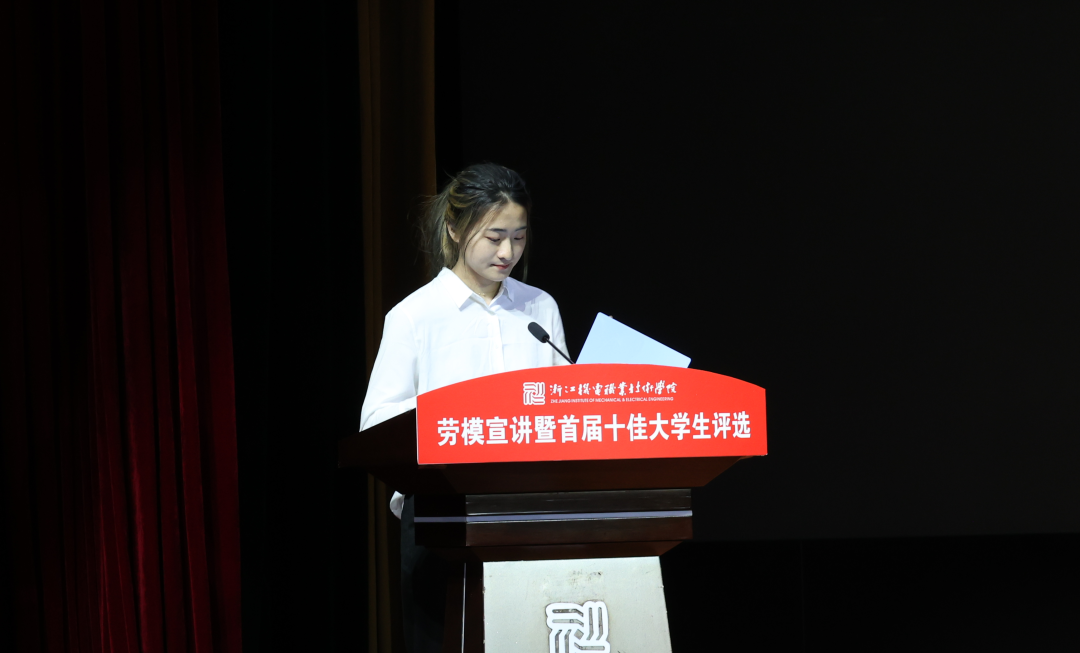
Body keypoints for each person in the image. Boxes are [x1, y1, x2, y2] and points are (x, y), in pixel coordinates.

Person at [359, 162, 570, 651]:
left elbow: (561, 407)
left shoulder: (540, 308)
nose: (508, 252)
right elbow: (375, 424)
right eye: (494, 237)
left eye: (518, 237)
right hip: (441, 515)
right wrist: (453, 412)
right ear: (455, 229)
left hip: (529, 510)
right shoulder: (415, 316)